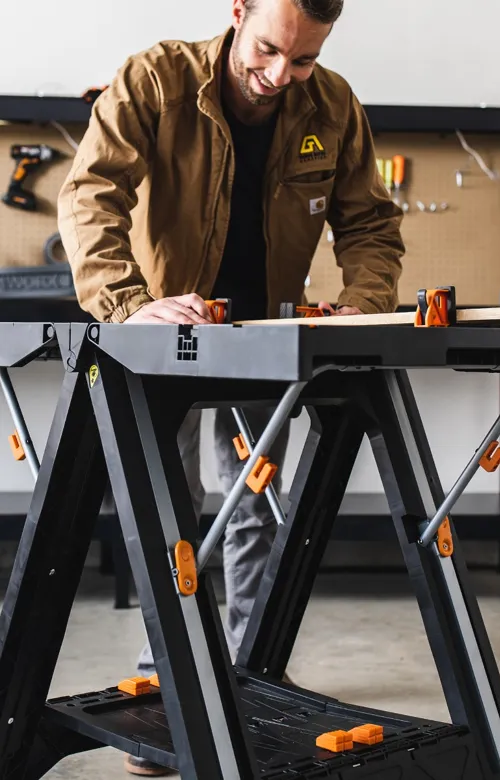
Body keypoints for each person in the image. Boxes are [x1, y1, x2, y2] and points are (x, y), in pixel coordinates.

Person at [57, 0, 405, 774]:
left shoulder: (334, 107)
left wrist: (359, 309)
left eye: (304, 60)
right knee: (168, 516)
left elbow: (371, 227)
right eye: (269, 50)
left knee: (257, 510)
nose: (281, 75)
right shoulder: (156, 79)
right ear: (239, 11)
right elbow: (89, 196)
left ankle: (253, 677)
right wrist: (130, 306)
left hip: (268, 341)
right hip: (165, 335)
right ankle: (165, 684)